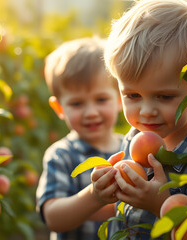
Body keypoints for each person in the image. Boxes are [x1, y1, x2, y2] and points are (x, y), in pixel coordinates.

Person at [91, 0, 187, 239]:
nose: (146, 112)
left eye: (164, 97)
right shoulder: (135, 138)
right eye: (132, 95)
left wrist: (161, 205)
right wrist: (103, 191)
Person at [36, 37, 124, 240]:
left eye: (101, 99)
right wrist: (94, 196)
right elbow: (53, 217)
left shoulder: (130, 148)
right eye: (77, 104)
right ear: (59, 108)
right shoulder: (62, 155)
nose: (91, 112)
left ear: (120, 98)